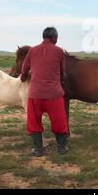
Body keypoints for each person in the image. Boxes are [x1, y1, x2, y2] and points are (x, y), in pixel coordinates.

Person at [20, 27, 68, 157]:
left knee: (34, 121)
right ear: (54, 38)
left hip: (35, 94)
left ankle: (38, 149)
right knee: (59, 121)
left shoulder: (32, 50)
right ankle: (62, 147)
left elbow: (24, 70)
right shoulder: (59, 51)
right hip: (54, 94)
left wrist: (23, 77)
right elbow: (63, 73)